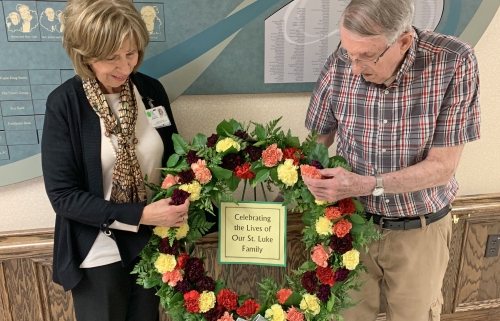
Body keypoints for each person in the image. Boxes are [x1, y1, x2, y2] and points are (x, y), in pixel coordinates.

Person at [303, 0, 480, 320]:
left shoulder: (453, 61)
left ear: (403, 41)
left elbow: (443, 167)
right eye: (349, 54)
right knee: (345, 316)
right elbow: (318, 139)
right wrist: (308, 175)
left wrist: (368, 184)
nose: (354, 67)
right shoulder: (343, 60)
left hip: (420, 230)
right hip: (351, 227)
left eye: (367, 57)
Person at [41, 0, 189, 320]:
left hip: (150, 245)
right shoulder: (65, 104)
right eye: (111, 57)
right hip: (97, 251)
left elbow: (175, 154)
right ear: (84, 55)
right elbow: (64, 197)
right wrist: (141, 214)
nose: (125, 67)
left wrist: (181, 183)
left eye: (131, 53)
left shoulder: (150, 91)